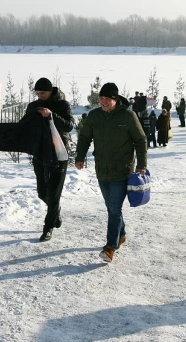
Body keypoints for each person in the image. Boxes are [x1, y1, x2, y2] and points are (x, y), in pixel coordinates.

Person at [75, 82, 147, 263]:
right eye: (101, 98)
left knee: (114, 209)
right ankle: (121, 234)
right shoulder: (94, 116)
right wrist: (80, 157)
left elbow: (140, 140)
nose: (103, 101)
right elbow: (84, 137)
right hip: (102, 169)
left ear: (115, 100)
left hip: (122, 171)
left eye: (107, 98)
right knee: (111, 207)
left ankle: (110, 247)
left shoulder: (128, 116)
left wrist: (141, 164)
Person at [26, 77, 75, 242]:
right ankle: (55, 211)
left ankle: (48, 228)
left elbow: (69, 126)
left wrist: (51, 116)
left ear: (51, 91)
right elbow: (25, 126)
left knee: (54, 194)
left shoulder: (63, 105)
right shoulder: (33, 106)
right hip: (40, 153)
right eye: (38, 93)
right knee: (42, 193)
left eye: (43, 93)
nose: (40, 96)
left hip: (59, 154)